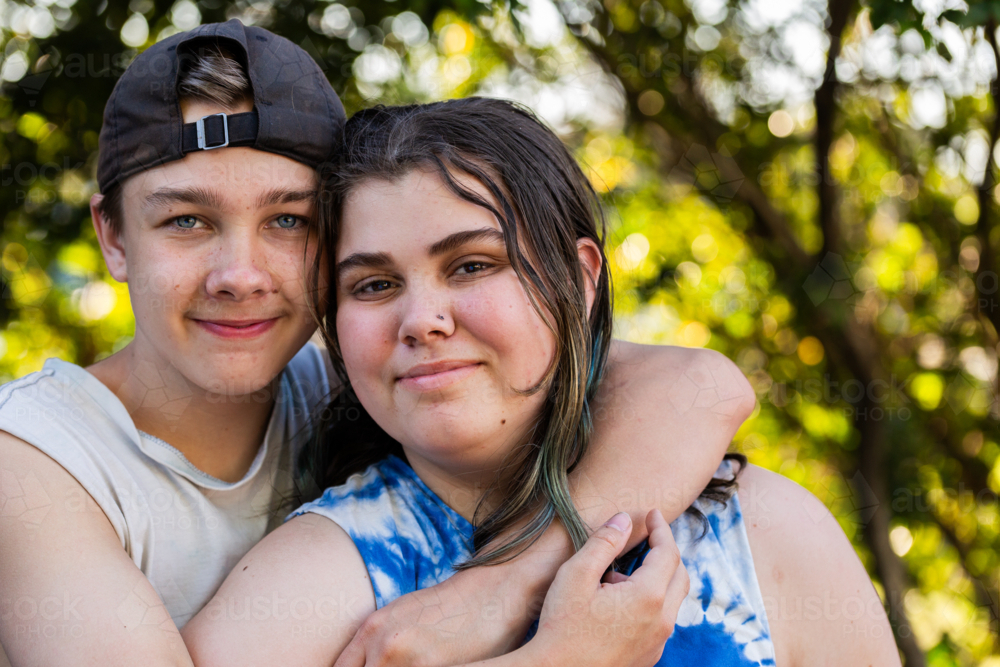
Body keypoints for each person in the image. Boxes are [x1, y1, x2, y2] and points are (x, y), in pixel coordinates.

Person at [0, 20, 756, 667]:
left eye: (288, 220)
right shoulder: (33, 462)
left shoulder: (341, 379)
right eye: (186, 221)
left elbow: (700, 388)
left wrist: (504, 585)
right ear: (113, 236)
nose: (240, 274)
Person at [182, 98, 902, 667]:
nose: (421, 318)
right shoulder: (312, 583)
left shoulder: (764, 533)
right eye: (373, 283)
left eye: (471, 264)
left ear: (581, 278)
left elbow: (702, 382)